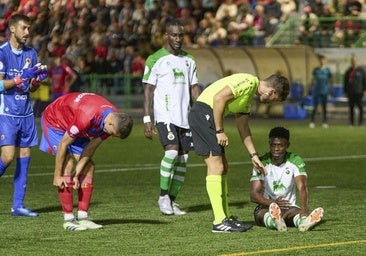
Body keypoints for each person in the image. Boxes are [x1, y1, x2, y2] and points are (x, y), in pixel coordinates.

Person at [188, 73, 290, 233]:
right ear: (270, 91)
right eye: (273, 99)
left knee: (223, 167)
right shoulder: (248, 82)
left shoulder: (248, 96)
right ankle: (219, 221)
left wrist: (253, 156)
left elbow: (243, 127)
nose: (270, 102)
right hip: (203, 114)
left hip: (207, 116)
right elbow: (218, 98)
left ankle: (226, 217)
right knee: (216, 167)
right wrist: (219, 130)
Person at [39, 92, 133, 231]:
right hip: (55, 122)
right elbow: (64, 144)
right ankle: (68, 219)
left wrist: (77, 174)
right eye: (113, 133)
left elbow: (90, 148)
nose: (111, 136)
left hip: (77, 125)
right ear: (111, 124)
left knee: (88, 167)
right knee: (68, 162)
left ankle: (83, 217)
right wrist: (57, 176)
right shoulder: (86, 116)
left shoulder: (112, 119)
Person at [143, 17, 201, 216]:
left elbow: (194, 89)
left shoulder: (189, 60)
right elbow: (148, 90)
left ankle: (173, 200)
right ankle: (162, 196)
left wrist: (201, 113)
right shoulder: (155, 59)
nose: (178, 39)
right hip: (165, 116)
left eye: (181, 35)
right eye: (174, 35)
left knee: (183, 160)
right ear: (166, 35)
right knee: (171, 153)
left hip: (185, 117)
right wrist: (147, 118)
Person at [0, 14, 48, 217]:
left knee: (25, 155)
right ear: (12, 29)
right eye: (24, 28)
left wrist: (37, 81)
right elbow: (1, 85)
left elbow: (31, 87)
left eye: (29, 28)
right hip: (7, 112)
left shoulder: (32, 53)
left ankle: (18, 205)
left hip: (26, 113)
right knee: (8, 157)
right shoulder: (2, 53)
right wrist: (21, 78)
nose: (27, 32)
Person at [250, 126, 324, 232]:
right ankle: (276, 221)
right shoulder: (261, 163)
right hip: (266, 206)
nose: (276, 149)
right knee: (261, 214)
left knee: (298, 213)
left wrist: (304, 209)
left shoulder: (295, 161)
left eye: (280, 145)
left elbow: (302, 186)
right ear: (269, 144)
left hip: (289, 207)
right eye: (273, 145)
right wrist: (272, 203)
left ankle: (304, 222)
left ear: (287, 145)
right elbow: (253, 195)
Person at [309, 54, 333, 128]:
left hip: (325, 91)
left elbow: (331, 80)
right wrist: (310, 87)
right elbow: (312, 80)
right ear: (319, 61)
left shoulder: (327, 70)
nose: (322, 61)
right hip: (316, 91)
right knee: (315, 107)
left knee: (324, 107)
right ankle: (312, 122)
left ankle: (324, 122)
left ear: (325, 61)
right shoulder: (316, 70)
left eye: (323, 60)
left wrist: (331, 88)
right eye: (320, 60)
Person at [343, 55, 366, 126]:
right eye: (352, 61)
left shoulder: (361, 70)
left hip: (359, 92)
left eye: (355, 61)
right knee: (351, 108)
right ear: (351, 62)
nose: (354, 62)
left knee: (360, 108)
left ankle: (360, 123)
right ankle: (351, 123)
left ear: (357, 61)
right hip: (350, 93)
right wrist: (345, 92)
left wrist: (365, 90)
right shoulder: (348, 71)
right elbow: (345, 82)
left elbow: (364, 81)